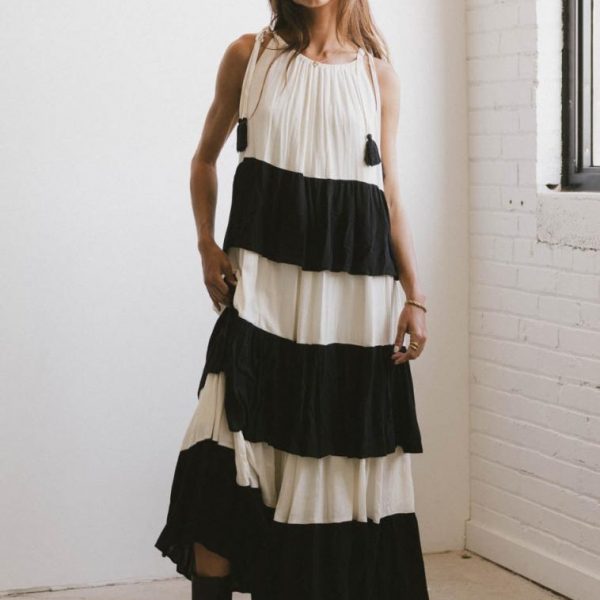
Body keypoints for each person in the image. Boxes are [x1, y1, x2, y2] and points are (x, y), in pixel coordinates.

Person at [155, 1, 430, 598]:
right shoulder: (248, 56)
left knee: (324, 483)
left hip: (348, 313)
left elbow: (390, 195)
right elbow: (204, 159)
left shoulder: (377, 77)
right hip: (262, 304)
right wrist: (205, 243)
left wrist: (416, 296)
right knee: (217, 478)